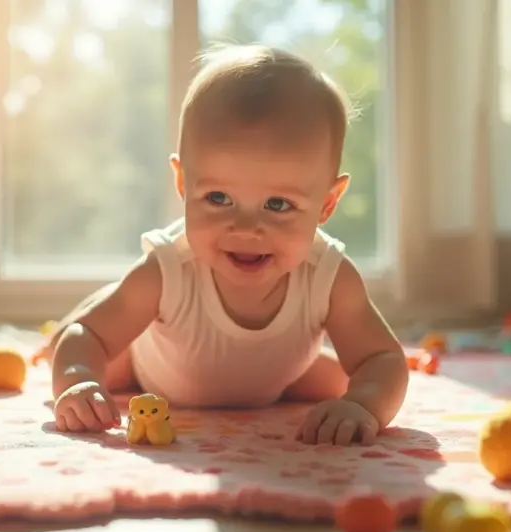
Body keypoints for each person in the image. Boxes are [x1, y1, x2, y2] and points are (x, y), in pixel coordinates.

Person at [43, 44, 408, 446]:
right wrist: (78, 380)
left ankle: (279, 376)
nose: (246, 228)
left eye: (278, 204)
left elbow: (383, 359)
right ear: (183, 184)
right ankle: (88, 320)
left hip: (282, 374)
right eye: (218, 198)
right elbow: (88, 336)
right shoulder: (167, 270)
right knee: (76, 352)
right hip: (153, 371)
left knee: (342, 385)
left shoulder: (329, 276)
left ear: (326, 204)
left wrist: (363, 405)